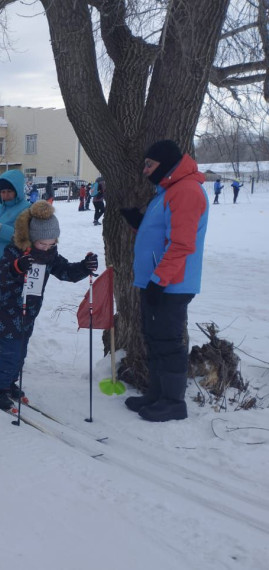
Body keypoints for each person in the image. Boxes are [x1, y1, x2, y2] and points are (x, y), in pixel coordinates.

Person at [119, 139, 208, 422]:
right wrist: (138, 223)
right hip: (157, 281)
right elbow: (161, 236)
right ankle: (157, 394)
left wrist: (160, 280)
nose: (145, 170)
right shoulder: (166, 192)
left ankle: (172, 402)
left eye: (149, 164)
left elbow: (182, 244)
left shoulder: (186, 192)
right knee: (155, 339)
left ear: (167, 164)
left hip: (171, 283)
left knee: (168, 342)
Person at [0, 201, 98, 409]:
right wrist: (16, 268)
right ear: (31, 239)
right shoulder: (14, 252)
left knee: (21, 353)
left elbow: (66, 272)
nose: (46, 248)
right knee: (10, 353)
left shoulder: (49, 256)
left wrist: (84, 267)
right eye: (42, 244)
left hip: (28, 313)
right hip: (5, 312)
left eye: (51, 244)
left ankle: (10, 383)